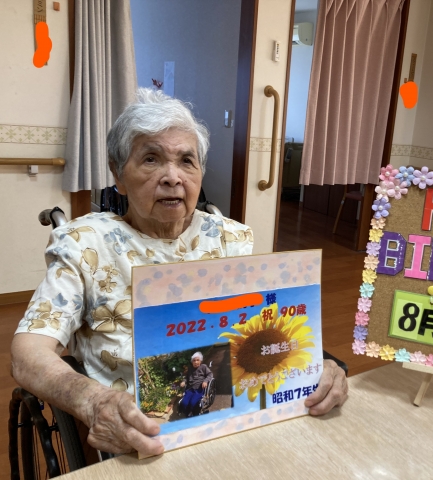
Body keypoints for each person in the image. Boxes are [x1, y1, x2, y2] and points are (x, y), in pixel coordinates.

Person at [11, 88, 349, 457]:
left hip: (235, 418)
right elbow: (28, 352)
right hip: (138, 436)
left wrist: (317, 368)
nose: (172, 177)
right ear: (118, 174)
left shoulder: (229, 238)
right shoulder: (86, 245)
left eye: (187, 161)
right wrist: (92, 400)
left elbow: (266, 330)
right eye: (151, 159)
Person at [179, 352, 213, 417]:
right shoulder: (190, 368)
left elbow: (210, 374)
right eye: (194, 360)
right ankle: (188, 413)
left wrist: (205, 381)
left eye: (197, 360)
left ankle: (195, 413)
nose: (196, 362)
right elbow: (187, 378)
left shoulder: (203, 367)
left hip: (199, 389)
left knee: (193, 403)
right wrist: (184, 382)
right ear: (192, 362)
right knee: (184, 403)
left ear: (200, 361)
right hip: (190, 389)